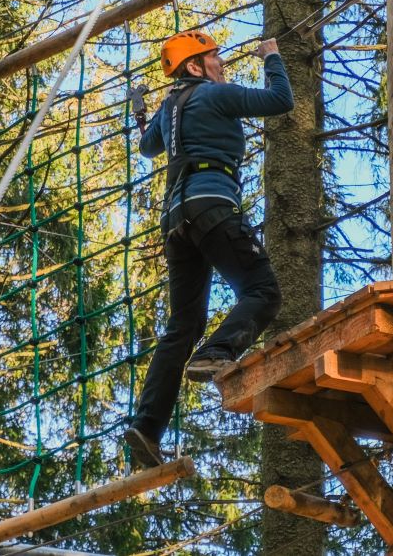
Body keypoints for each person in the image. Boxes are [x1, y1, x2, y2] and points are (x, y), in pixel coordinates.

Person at [124, 29, 293, 469]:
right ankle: (217, 353)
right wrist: (272, 56)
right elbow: (280, 100)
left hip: (176, 221)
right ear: (196, 67)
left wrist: (142, 114)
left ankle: (146, 427)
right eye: (215, 58)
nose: (222, 65)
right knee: (263, 291)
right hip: (212, 203)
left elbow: (148, 148)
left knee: (183, 324)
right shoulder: (215, 96)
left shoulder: (170, 108)